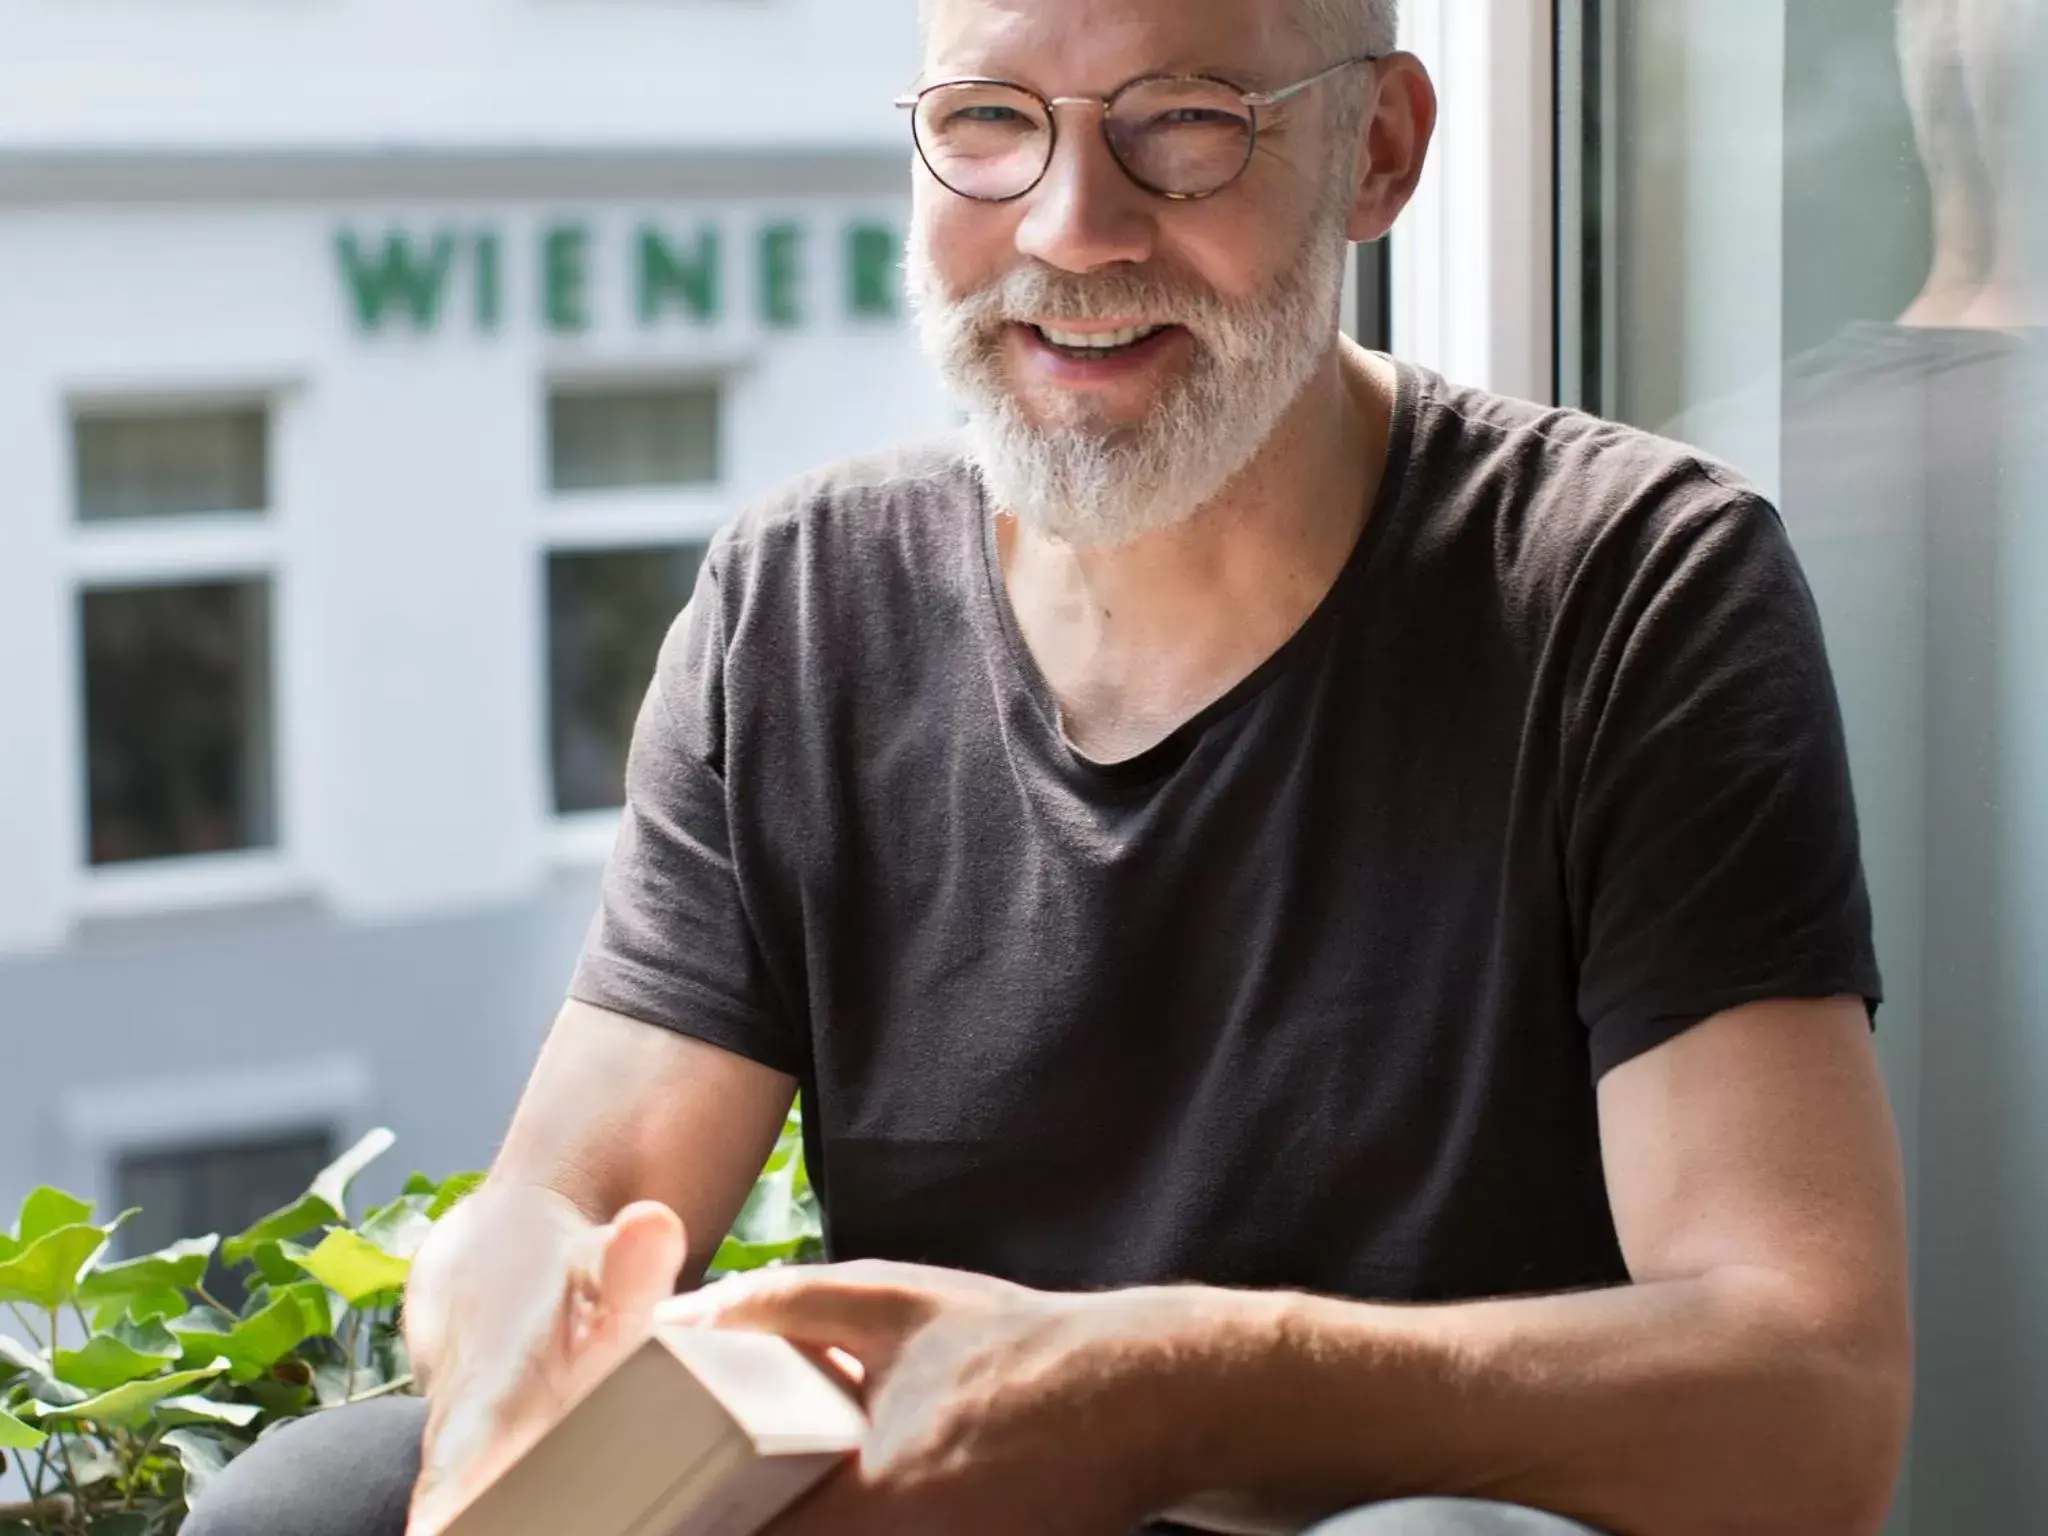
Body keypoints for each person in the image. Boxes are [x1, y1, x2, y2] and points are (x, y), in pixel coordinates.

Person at [189, 0, 1913, 1532]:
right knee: (315, 1500)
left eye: (1185, 126)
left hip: (1389, 1515)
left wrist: (1165, 1393)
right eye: (990, 122)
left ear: (1375, 152)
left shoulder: (1633, 586)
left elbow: (1812, 1400)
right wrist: (505, 1334)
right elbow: (586, 1196)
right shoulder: (799, 601)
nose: (1074, 232)